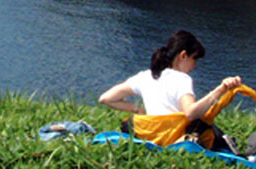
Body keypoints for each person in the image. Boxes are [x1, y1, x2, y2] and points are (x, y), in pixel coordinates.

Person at [99, 30, 243, 148]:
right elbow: (191, 113)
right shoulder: (182, 79)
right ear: (183, 56)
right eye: (194, 59)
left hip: (150, 134)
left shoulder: (145, 76)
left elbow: (106, 98)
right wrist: (220, 90)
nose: (194, 66)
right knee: (212, 132)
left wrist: (137, 108)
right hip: (174, 135)